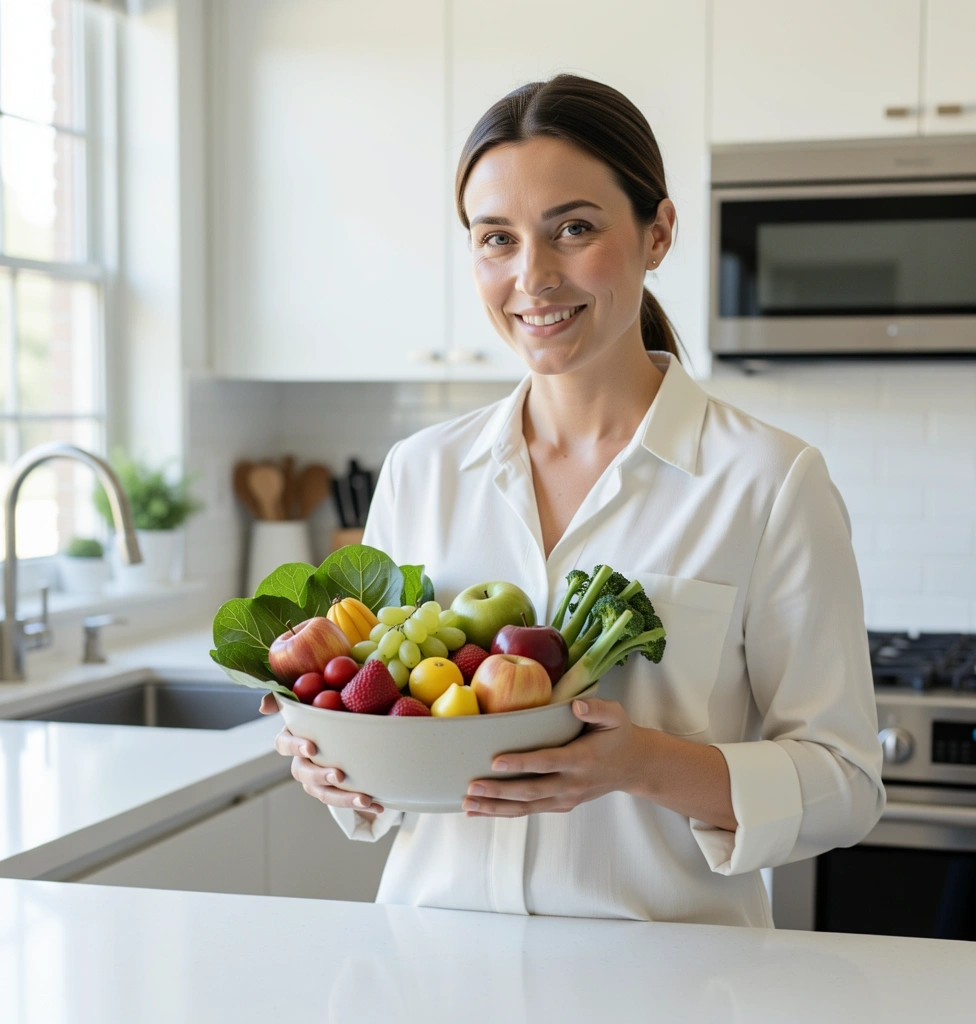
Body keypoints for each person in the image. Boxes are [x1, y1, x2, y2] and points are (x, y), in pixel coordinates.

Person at [259, 74, 885, 926]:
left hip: (666, 982)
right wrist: (337, 765)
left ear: (657, 232)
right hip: (434, 968)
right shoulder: (421, 470)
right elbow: (383, 790)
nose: (533, 277)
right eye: (497, 239)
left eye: (575, 229)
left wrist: (641, 764)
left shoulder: (769, 482)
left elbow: (846, 783)